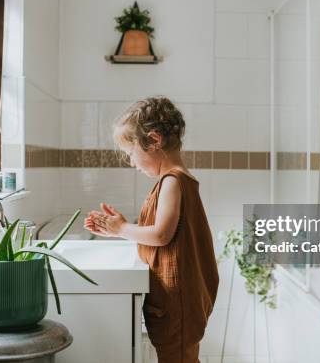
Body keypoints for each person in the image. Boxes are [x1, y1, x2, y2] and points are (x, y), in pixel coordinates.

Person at [84, 96, 219, 362]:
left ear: (155, 141)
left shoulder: (173, 181)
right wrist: (118, 230)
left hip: (177, 302)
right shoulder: (175, 180)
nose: (132, 162)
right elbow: (165, 235)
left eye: (131, 153)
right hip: (177, 299)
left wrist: (122, 228)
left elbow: (160, 235)